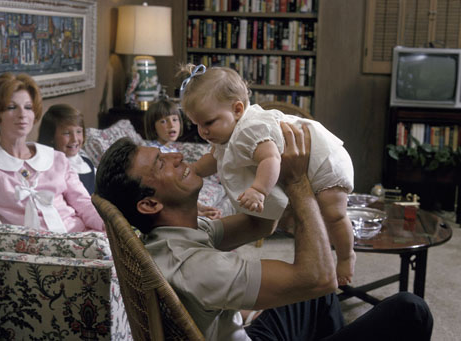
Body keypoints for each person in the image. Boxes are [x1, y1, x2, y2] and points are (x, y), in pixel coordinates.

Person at [94, 122, 433, 341]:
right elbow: (320, 275)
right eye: (161, 163)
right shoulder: (193, 266)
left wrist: (255, 169)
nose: (179, 155)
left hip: (244, 335)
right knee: (409, 309)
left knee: (315, 297)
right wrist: (298, 182)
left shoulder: (174, 235)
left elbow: (261, 223)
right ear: (150, 205)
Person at [179, 64, 355, 285]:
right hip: (310, 162)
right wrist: (193, 170)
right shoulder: (227, 134)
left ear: (237, 109)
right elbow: (214, 159)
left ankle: (347, 257)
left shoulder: (249, 129)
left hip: (326, 161)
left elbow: (271, 159)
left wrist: (259, 190)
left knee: (334, 214)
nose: (203, 131)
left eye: (209, 122)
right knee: (316, 216)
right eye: (197, 125)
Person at [0, 73, 104, 233]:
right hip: (33, 248)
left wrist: (106, 226)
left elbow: (84, 202)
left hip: (79, 235)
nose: (22, 114)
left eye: (28, 107)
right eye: (12, 107)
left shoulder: (56, 158)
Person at [143, 97, 222, 220]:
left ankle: (197, 208)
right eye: (163, 121)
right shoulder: (153, 152)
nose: (171, 125)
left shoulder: (172, 150)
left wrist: (199, 206)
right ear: (153, 127)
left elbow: (179, 188)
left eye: (175, 119)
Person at [38, 103, 96, 195]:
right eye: (66, 133)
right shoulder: (50, 169)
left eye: (78, 132)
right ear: (51, 136)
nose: (75, 139)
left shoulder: (87, 163)